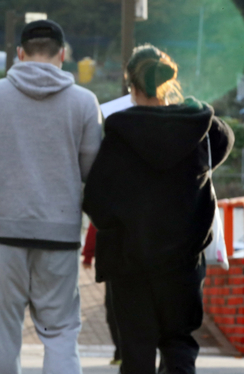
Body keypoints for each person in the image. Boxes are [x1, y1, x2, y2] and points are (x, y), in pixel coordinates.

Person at [0, 19, 102, 374]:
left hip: (5, 232)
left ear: (19, 54)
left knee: (4, 337)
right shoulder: (85, 102)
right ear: (63, 55)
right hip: (61, 234)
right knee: (60, 333)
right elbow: (91, 171)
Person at [83, 44, 234, 374]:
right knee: (179, 346)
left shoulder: (118, 134)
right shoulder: (198, 127)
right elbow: (225, 139)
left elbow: (96, 200)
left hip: (129, 262)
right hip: (183, 262)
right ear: (168, 82)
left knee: (136, 350)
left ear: (132, 87)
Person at [82, 223, 121, 366]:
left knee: (114, 309)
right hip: (141, 260)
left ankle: (120, 352)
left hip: (114, 263)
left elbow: (96, 223)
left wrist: (88, 255)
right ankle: (124, 352)